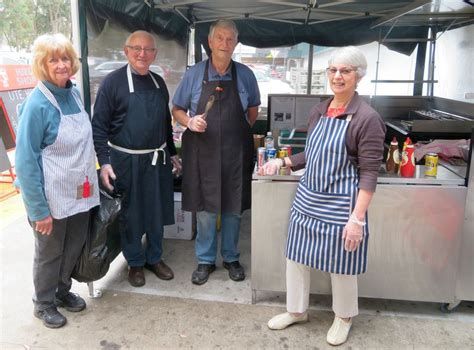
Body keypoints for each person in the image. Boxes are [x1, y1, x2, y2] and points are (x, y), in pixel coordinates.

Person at [262, 46, 386, 346]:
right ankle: (297, 310)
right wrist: (284, 161)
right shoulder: (321, 109)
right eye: (333, 70)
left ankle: (344, 317)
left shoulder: (366, 118)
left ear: (358, 76)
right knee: (296, 257)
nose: (338, 76)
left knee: (341, 263)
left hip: (341, 203)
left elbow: (369, 173)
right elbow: (313, 152)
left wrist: (356, 220)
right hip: (308, 198)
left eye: (345, 71)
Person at [15, 33, 100, 328]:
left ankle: (62, 291)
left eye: (65, 58)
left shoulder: (73, 93)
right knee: (50, 253)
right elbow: (25, 163)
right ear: (42, 64)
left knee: (73, 245)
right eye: (53, 60)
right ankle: (44, 302)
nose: (62, 65)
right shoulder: (37, 104)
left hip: (79, 192)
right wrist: (38, 210)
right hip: (51, 197)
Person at [172, 20, 260, 285]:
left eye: (230, 39)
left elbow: (253, 111)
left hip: (236, 153)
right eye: (219, 38)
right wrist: (189, 121)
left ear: (235, 43)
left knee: (234, 208)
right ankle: (205, 260)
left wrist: (235, 130)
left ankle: (231, 257)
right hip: (203, 152)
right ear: (209, 42)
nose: (224, 44)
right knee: (207, 209)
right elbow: (176, 108)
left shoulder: (245, 75)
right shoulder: (194, 74)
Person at [92, 31, 180, 287]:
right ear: (126, 51)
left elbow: (165, 122)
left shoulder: (159, 82)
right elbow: (99, 127)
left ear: (155, 54)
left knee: (156, 210)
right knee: (131, 213)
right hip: (125, 161)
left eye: (148, 49)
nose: (142, 54)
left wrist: (172, 154)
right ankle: (135, 262)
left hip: (157, 159)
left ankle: (155, 257)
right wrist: (104, 162)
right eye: (136, 48)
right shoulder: (112, 83)